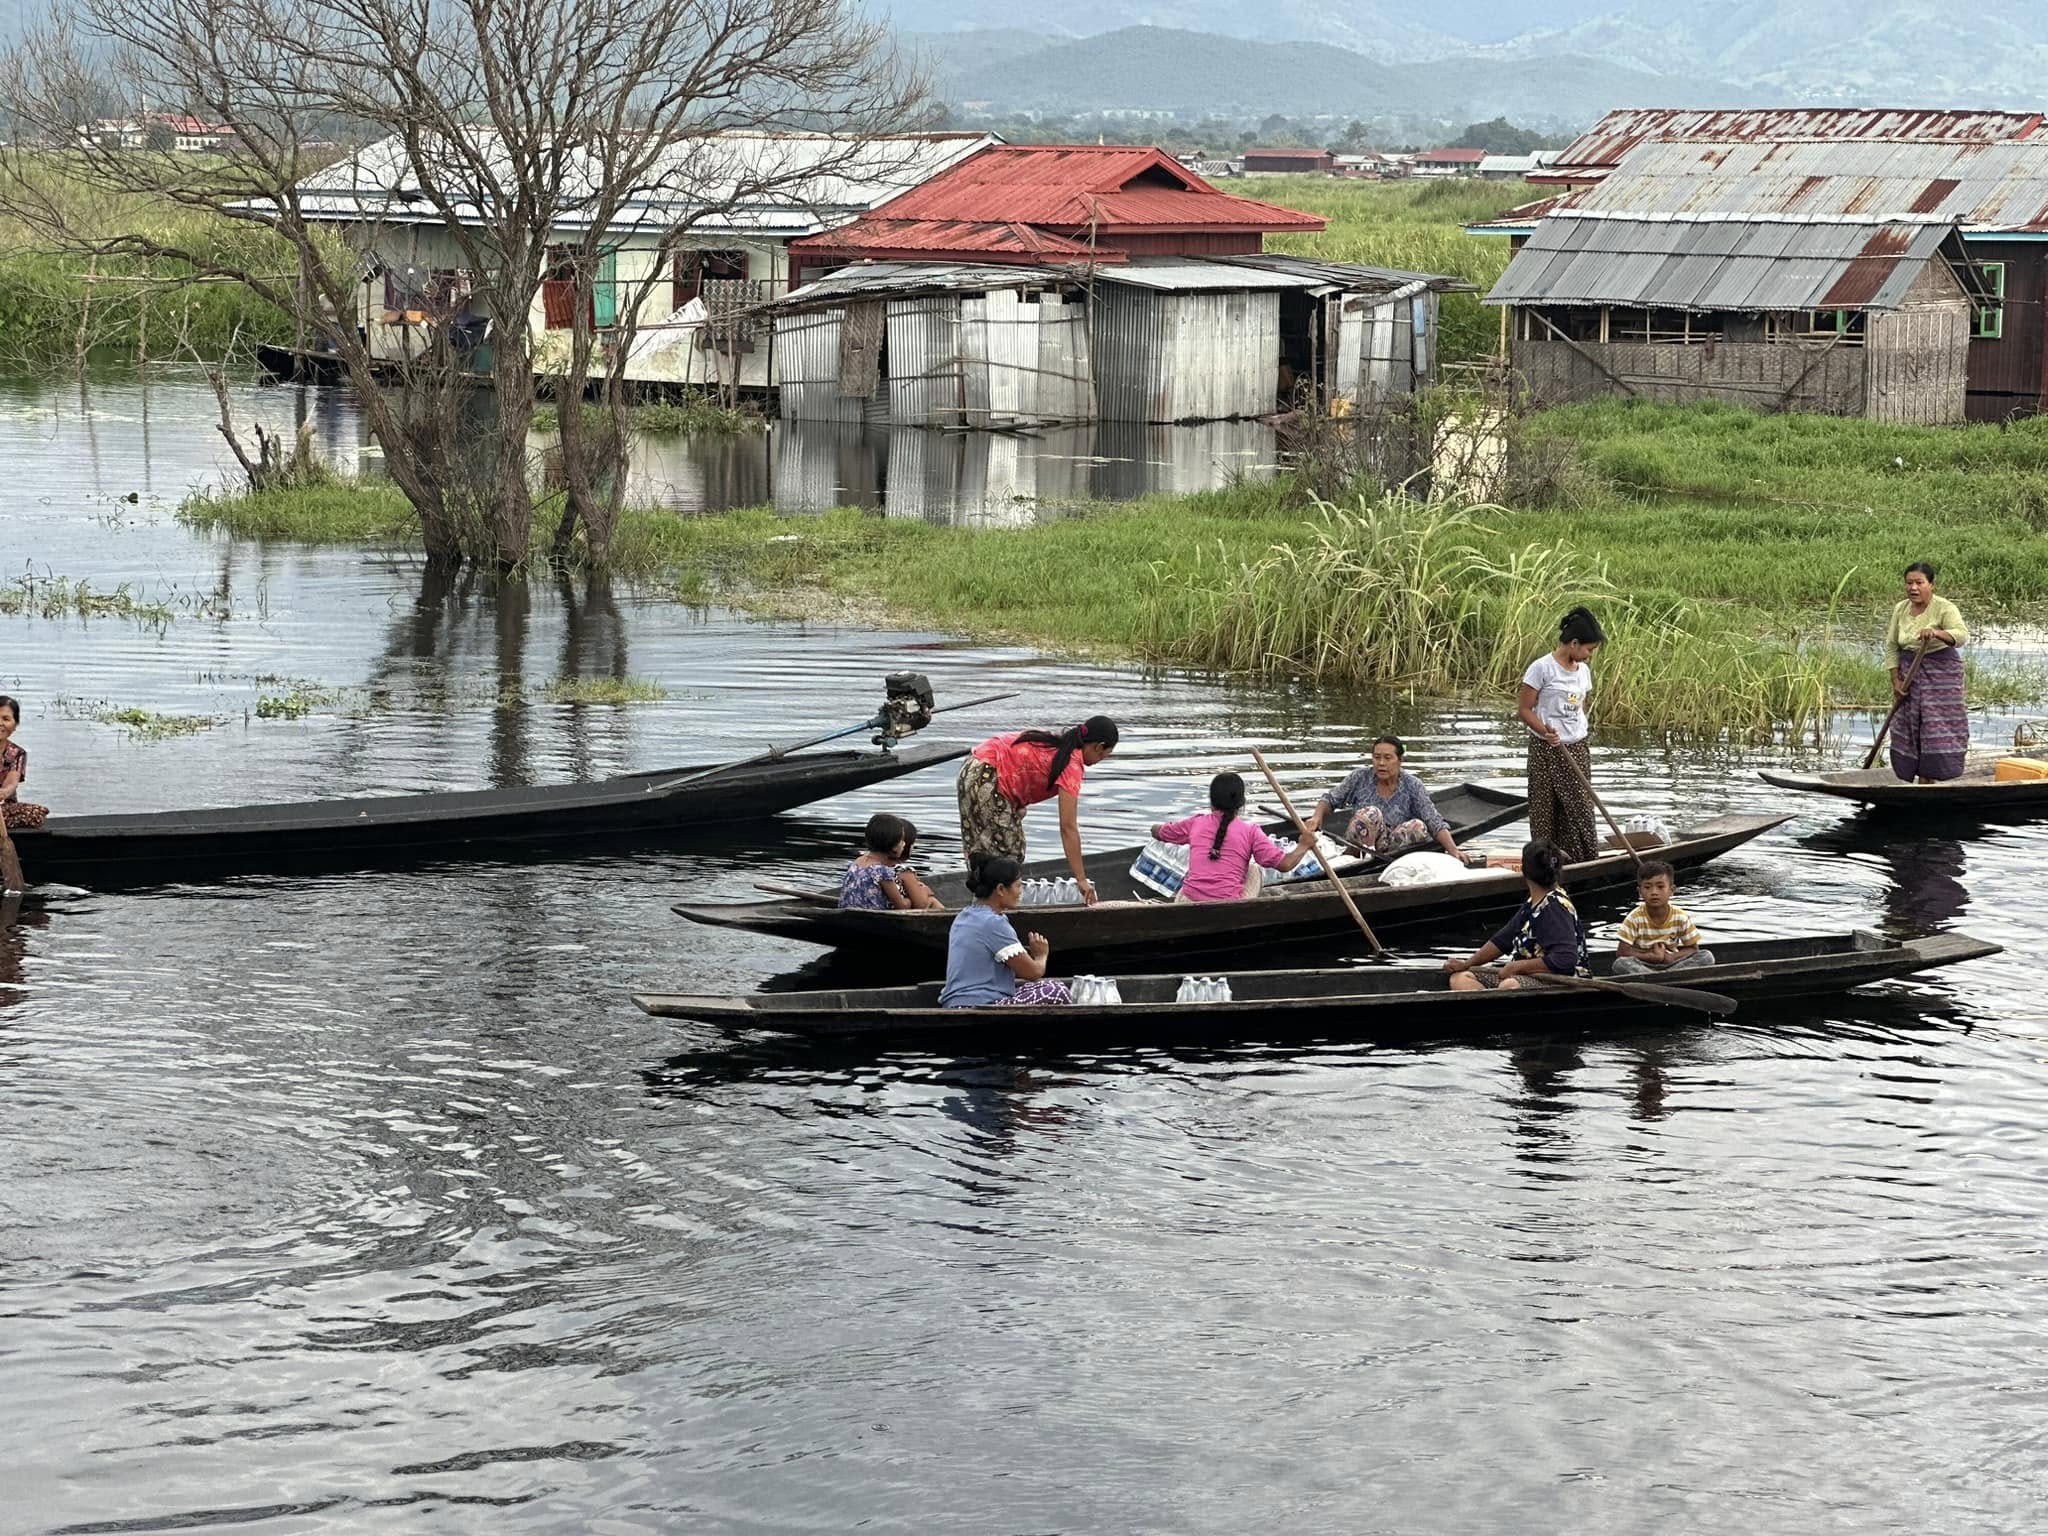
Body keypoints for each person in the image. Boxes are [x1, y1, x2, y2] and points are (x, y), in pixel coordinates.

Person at [957, 716, 1118, 906]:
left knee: (983, 851)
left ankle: (979, 905)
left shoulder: (1058, 743)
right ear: (1098, 746)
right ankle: (993, 910)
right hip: (986, 775)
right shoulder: (1072, 764)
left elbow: (1020, 764)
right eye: (1103, 756)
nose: (1099, 761)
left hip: (972, 768)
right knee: (1010, 855)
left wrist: (1015, 805)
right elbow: (1068, 827)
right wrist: (1081, 879)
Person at [1443, 839, 1589, 991]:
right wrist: (1467, 964)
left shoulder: (1555, 906)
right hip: (1526, 976)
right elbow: (1502, 941)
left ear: (1524, 871)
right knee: (1461, 977)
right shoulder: (1532, 903)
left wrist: (1519, 966)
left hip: (1562, 981)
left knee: (1509, 985)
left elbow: (1565, 960)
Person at [1151, 771, 1319, 903]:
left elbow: (1158, 832)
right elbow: (1285, 864)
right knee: (1254, 869)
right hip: (1230, 905)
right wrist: (1303, 845)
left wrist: (1158, 828)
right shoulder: (1250, 831)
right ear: (1241, 802)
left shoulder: (1196, 823)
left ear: (1212, 801)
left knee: (1191, 878)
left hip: (1190, 902)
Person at [1519, 606, 1604, 864]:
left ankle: (1582, 861)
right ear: (1574, 643)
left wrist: (1577, 730)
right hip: (1546, 749)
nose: (1589, 656)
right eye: (1588, 649)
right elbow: (1524, 710)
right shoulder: (1541, 668)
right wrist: (1545, 730)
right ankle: (1544, 865)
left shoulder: (1583, 672)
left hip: (1575, 749)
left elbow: (1579, 706)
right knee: (1545, 809)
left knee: (1580, 809)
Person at [939, 855, 1073, 1008]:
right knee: (1057, 990)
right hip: (979, 1004)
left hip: (954, 1002)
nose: (1020, 892)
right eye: (1018, 886)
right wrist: (1041, 955)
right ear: (1001, 889)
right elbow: (1033, 972)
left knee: (1041, 986)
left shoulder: (964, 915)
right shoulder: (993, 922)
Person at [1303, 735, 1463, 860]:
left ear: (1400, 761)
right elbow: (1329, 800)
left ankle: (1381, 860)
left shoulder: (1413, 785)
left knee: (1418, 826)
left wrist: (1453, 850)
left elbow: (1433, 820)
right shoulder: (1359, 777)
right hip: (1361, 842)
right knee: (1371, 814)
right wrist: (1316, 818)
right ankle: (1354, 857)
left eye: (1387, 758)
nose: (1381, 763)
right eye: (1376, 757)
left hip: (1394, 845)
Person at [1887, 562, 1970, 784]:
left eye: (1919, 583)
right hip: (1909, 673)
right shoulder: (1900, 609)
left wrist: (1936, 633)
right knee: (1906, 723)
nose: (1913, 588)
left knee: (1937, 724)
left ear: (1931, 585)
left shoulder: (1944, 608)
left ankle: (1930, 779)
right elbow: (1892, 646)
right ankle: (1914, 777)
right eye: (1909, 583)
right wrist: (1895, 680)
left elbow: (1961, 636)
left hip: (1941, 675)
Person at [1613, 859, 1716, 975]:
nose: (1654, 892)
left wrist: (1672, 957)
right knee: (1620, 963)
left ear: (1671, 891)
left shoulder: (1680, 917)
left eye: (1660, 887)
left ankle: (1664, 977)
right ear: (1640, 892)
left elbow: (1693, 949)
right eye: (1647, 887)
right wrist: (1651, 957)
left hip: (1673, 964)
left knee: (1706, 956)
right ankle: (1662, 978)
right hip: (1642, 966)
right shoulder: (1634, 918)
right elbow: (1622, 952)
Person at [839, 812, 943, 912]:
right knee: (931, 902)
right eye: (902, 841)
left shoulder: (858, 862)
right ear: (893, 845)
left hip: (849, 913)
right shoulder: (883, 872)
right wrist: (910, 900)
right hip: (873, 920)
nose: (904, 845)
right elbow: (901, 907)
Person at [0, 696, 46, 832]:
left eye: (6, 719)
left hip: (4, 807)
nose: (0, 723)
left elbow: (11, 783)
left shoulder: (17, 753)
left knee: (37, 813)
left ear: (15, 725)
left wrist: (3, 793)